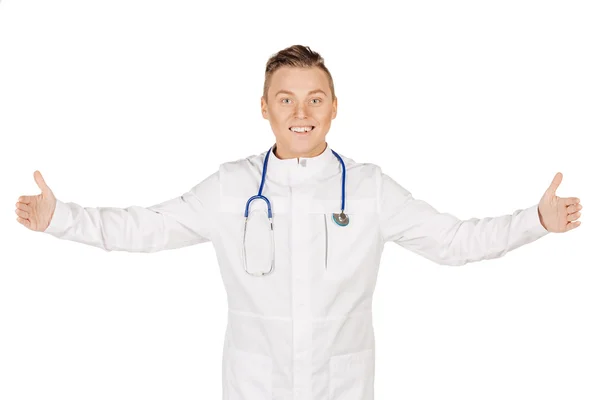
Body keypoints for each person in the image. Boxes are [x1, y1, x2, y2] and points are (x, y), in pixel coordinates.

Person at [15, 44, 583, 400]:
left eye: (316, 99)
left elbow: (455, 242)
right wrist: (59, 218)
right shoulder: (231, 188)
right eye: (285, 100)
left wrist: (535, 220)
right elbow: (143, 227)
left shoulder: (368, 189)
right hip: (254, 387)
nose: (301, 113)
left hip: (341, 387)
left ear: (336, 106)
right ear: (264, 108)